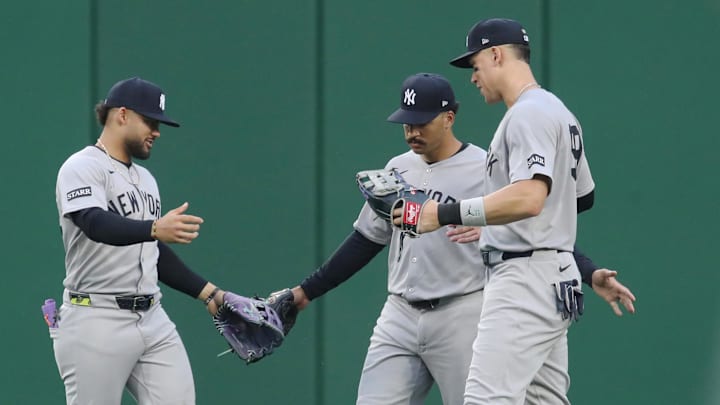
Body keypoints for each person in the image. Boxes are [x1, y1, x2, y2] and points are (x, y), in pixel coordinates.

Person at [288, 73, 634, 405]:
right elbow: (365, 240)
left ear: (449, 117)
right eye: (407, 122)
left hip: (462, 312)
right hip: (399, 313)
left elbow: (538, 228)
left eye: (422, 121)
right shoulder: (397, 167)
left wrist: (588, 272)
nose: (412, 130)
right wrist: (305, 292)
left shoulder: (485, 167)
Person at [390, 18, 609, 404]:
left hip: (524, 280)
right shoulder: (557, 111)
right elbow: (580, 197)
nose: (473, 78)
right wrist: (495, 221)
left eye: (475, 66)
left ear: (496, 54)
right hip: (553, 277)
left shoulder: (528, 114)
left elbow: (529, 198)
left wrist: (443, 214)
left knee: (486, 400)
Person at [53, 77, 229, 405]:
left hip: (152, 317)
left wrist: (208, 294)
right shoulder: (81, 167)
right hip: (95, 318)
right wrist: (152, 229)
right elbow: (93, 223)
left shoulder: (145, 179)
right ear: (122, 115)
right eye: (150, 121)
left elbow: (150, 249)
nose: (157, 132)